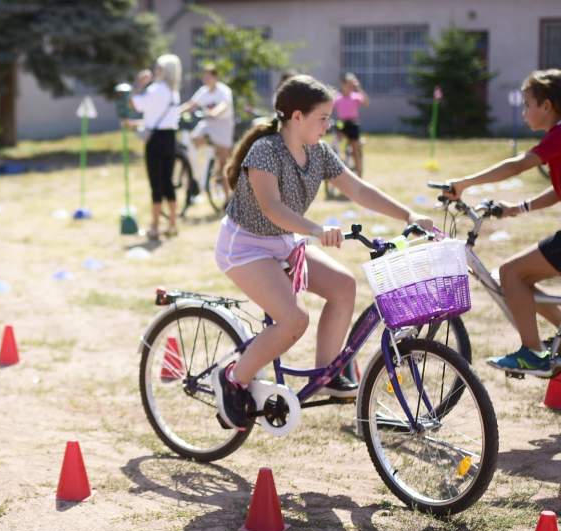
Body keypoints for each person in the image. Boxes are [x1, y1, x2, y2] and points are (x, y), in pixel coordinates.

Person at [212, 75, 433, 430]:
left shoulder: (318, 152)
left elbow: (358, 190)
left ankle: (327, 373)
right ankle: (233, 378)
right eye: (323, 118)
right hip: (246, 246)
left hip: (285, 242)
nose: (329, 126)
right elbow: (271, 207)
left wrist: (409, 215)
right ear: (297, 117)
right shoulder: (265, 151)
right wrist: (316, 230)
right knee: (293, 321)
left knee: (344, 286)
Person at [444, 69, 561, 375]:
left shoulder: (558, 136)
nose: (524, 112)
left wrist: (465, 182)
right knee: (520, 278)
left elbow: (518, 165)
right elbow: (558, 191)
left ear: (546, 106)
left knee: (511, 274)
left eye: (527, 104)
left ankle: (532, 353)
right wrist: (519, 207)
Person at [131, 54, 182, 239]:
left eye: (158, 67)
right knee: (168, 181)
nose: (155, 70)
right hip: (170, 137)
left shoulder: (155, 89)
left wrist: (138, 84)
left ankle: (154, 226)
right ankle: (173, 223)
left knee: (156, 183)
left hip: (155, 139)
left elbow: (137, 105)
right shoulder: (173, 91)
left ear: (163, 70)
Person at [180, 64, 234, 199]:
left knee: (223, 165)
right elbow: (191, 104)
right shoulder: (202, 91)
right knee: (193, 140)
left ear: (215, 77)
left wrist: (214, 113)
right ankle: (201, 168)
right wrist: (176, 111)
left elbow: (224, 105)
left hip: (222, 126)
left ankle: (227, 197)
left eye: (209, 76)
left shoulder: (223, 91)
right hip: (208, 124)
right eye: (204, 76)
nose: (206, 79)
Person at [331, 73, 369, 177]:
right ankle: (336, 154)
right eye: (348, 84)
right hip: (341, 122)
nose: (350, 87)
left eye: (352, 84)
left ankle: (359, 173)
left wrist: (359, 88)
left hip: (352, 123)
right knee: (335, 138)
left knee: (355, 148)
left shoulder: (356, 96)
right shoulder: (337, 98)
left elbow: (366, 103)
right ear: (343, 84)